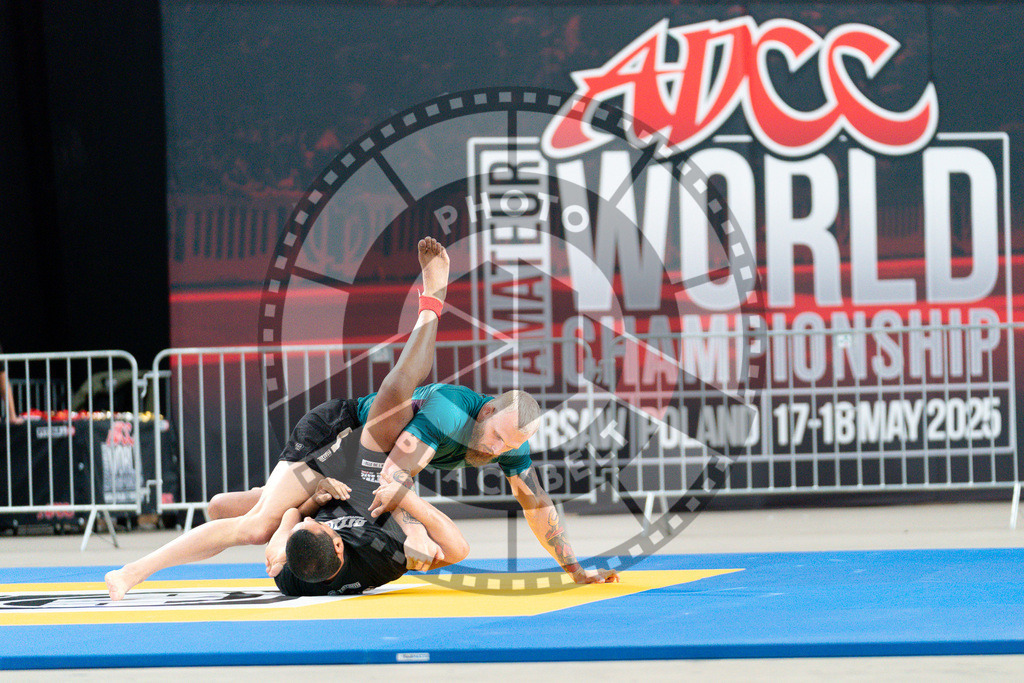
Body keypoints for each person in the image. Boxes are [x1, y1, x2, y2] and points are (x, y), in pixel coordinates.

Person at [105, 237, 456, 599]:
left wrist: (287, 527)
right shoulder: (380, 536)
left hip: (337, 460)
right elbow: (410, 509)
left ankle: (263, 495)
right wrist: (413, 523)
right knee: (259, 526)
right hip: (334, 435)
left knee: (236, 514)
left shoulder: (322, 556)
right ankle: (134, 571)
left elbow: (318, 517)